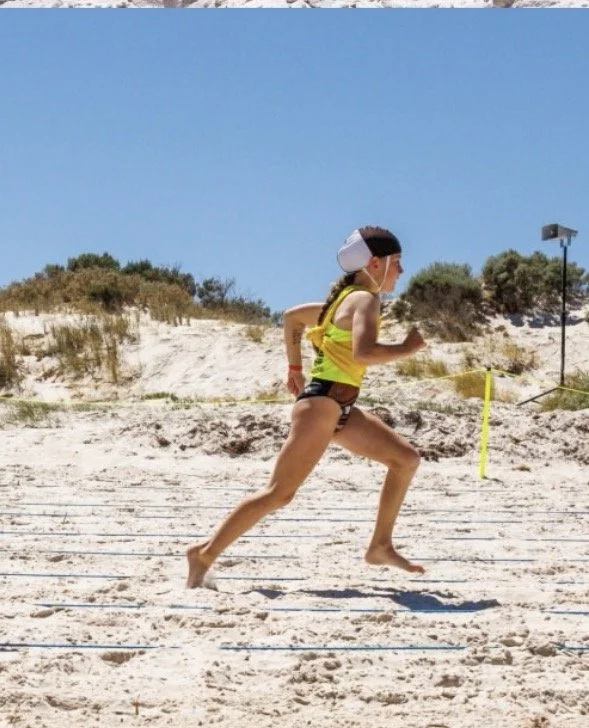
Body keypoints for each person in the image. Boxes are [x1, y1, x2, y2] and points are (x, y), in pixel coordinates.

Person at [186, 225, 427, 589]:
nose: (401, 272)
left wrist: (294, 366)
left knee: (405, 459)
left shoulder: (340, 301)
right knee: (279, 493)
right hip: (322, 405)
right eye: (397, 263)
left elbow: (290, 317)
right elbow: (364, 353)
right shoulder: (364, 299)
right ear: (376, 263)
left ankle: (380, 546)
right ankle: (203, 553)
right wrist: (407, 348)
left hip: (338, 407)